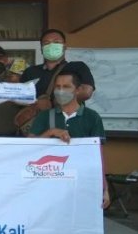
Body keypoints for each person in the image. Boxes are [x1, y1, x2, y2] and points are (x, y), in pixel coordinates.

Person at [28, 71, 109, 208]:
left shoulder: (92, 117)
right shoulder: (44, 116)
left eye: (66, 87)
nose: (60, 91)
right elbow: (28, 146)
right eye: (57, 87)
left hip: (80, 183)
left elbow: (98, 156)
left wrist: (104, 188)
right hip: (48, 182)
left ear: (78, 90)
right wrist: (51, 132)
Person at [15, 29, 95, 134]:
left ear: (64, 46)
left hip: (70, 126)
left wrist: (53, 102)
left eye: (56, 42)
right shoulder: (30, 72)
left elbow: (86, 92)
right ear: (41, 48)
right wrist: (36, 103)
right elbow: (20, 98)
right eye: (46, 43)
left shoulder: (77, 67)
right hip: (39, 129)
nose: (51, 45)